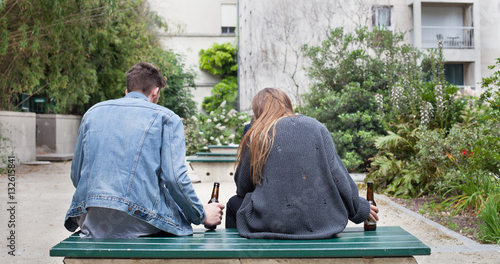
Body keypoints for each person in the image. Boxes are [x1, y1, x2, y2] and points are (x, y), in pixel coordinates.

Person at [64, 62, 224, 238]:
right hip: (141, 223)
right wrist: (202, 214)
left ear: (127, 92)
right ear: (155, 92)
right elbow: (174, 179)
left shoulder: (92, 113)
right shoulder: (167, 118)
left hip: (92, 221)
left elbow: (76, 175)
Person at [226, 87, 379, 239]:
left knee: (233, 204)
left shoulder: (257, 134)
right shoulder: (316, 126)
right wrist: (359, 209)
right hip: (323, 223)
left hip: (273, 223)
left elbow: (242, 188)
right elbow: (337, 174)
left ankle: (234, 257)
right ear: (287, 104)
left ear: (258, 110)